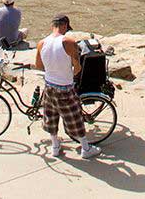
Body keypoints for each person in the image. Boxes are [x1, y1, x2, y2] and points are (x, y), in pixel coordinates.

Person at [34, 14, 100, 159]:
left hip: (49, 86)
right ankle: (85, 148)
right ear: (64, 26)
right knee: (75, 119)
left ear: (52, 25)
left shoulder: (41, 43)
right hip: (64, 87)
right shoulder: (68, 41)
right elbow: (77, 67)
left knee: (51, 117)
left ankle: (55, 147)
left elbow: (38, 65)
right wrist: (69, 73)